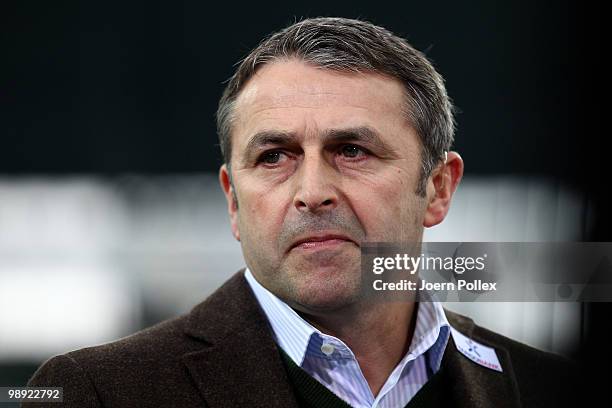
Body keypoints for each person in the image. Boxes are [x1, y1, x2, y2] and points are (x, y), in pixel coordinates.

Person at [26, 17, 575, 407]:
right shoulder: (95, 394)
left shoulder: (553, 387)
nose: (312, 191)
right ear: (233, 202)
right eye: (274, 157)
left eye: (352, 151)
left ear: (436, 188)